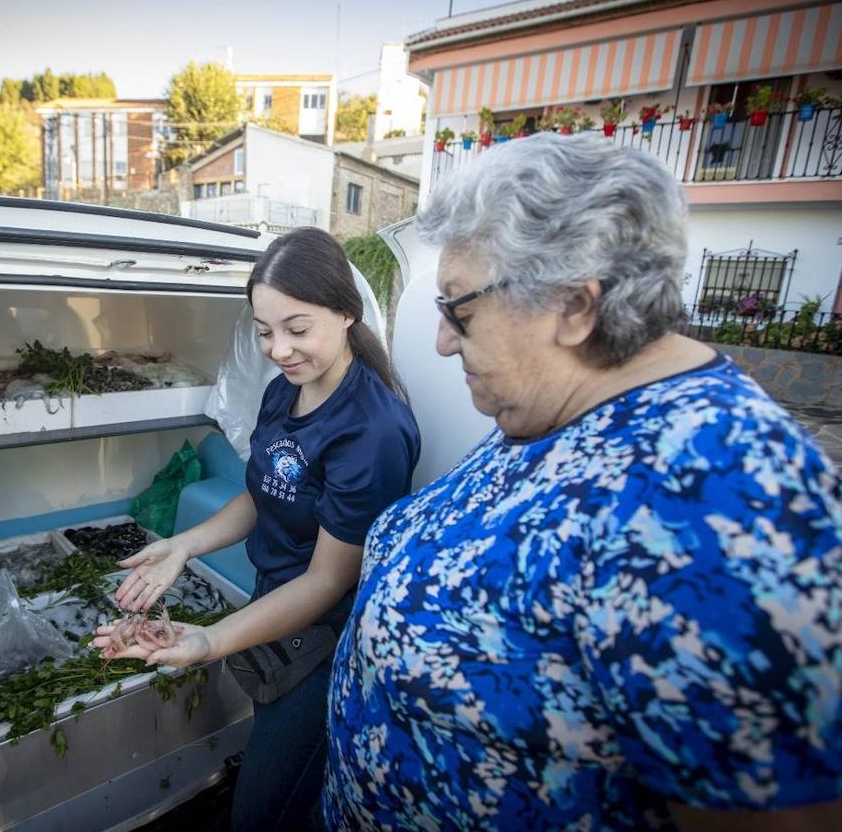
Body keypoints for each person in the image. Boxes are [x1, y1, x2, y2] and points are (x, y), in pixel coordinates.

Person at [324, 133, 842, 830]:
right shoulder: (566, 399)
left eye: (460, 311)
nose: (444, 340)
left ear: (573, 304)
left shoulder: (724, 501)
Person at [92, 227, 420, 832]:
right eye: (265, 331)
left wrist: (211, 640)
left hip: (324, 638)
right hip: (275, 604)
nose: (278, 349)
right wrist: (182, 546)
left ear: (346, 312)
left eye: (297, 329)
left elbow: (326, 582)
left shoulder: (371, 431)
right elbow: (260, 490)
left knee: (265, 814)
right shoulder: (282, 393)